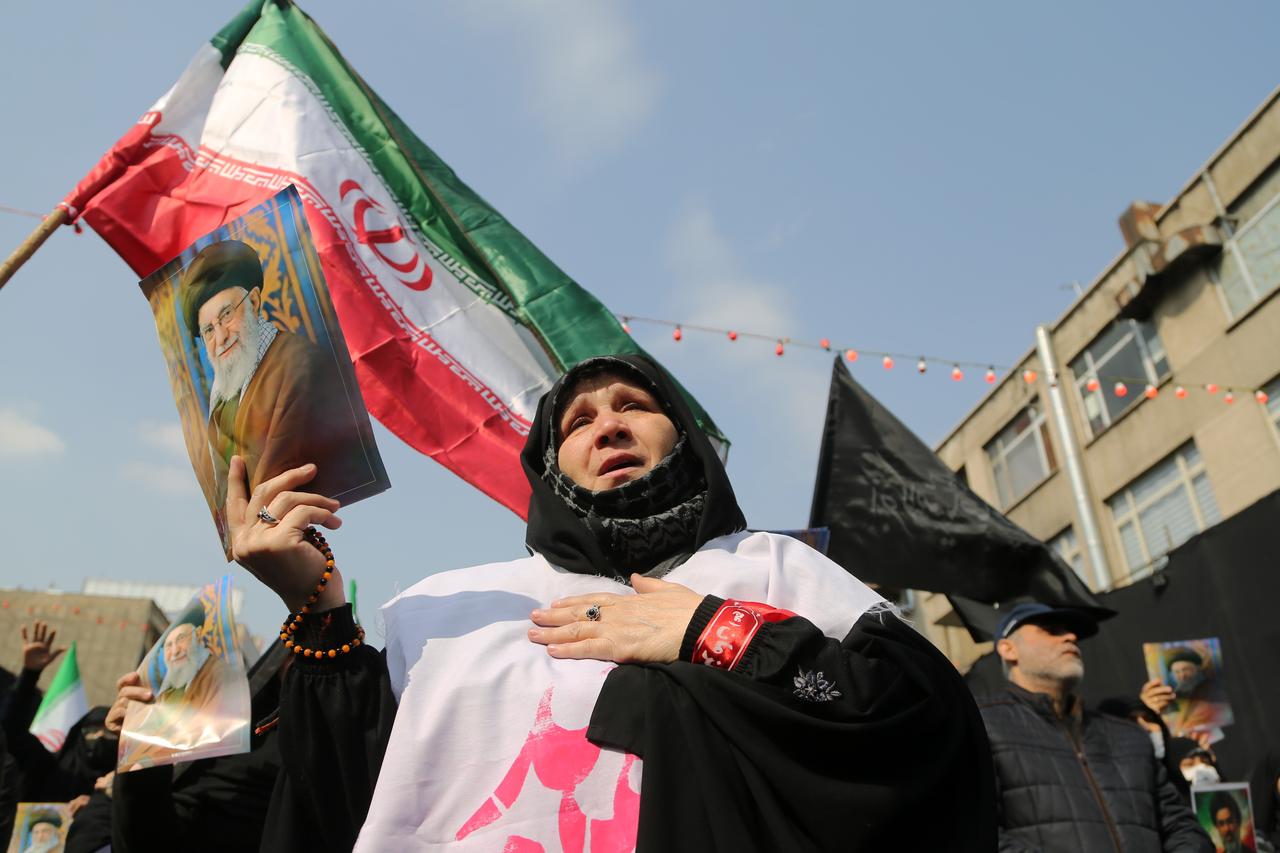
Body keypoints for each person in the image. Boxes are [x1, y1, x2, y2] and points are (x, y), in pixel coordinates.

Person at [229, 354, 998, 851]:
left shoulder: (776, 568)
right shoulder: (446, 607)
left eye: (634, 404)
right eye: (578, 420)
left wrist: (715, 629)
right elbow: (328, 807)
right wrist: (318, 612)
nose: (610, 425)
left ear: (682, 437)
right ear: (548, 465)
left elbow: (923, 726)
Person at [981, 601, 1211, 852]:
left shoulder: (1130, 736)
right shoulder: (982, 725)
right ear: (1008, 649)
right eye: (1051, 629)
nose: (1071, 637)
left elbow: (1181, 826)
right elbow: (972, 833)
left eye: (1070, 632)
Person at [178, 239, 369, 513]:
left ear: (254, 301)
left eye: (227, 314)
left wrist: (255, 525)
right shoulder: (223, 393)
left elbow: (276, 473)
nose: (220, 337)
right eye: (208, 330)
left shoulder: (297, 362)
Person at [1, 622, 116, 803]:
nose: (100, 736)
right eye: (92, 730)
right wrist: (29, 675)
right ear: (77, 734)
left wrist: (100, 804)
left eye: (110, 732)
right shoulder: (45, 768)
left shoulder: (122, 791)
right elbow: (11, 729)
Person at [115, 618, 235, 769]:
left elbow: (204, 732)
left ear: (198, 637)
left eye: (181, 639)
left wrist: (147, 761)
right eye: (168, 646)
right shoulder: (167, 694)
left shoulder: (218, 674)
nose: (175, 651)